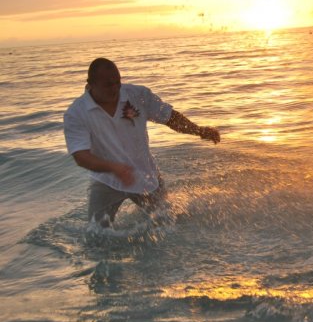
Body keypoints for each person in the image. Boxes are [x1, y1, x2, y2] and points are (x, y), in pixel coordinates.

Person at [64, 57, 220, 229]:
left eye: (118, 82)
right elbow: (81, 156)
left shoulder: (137, 95)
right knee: (96, 234)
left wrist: (199, 130)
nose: (115, 88)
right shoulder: (76, 113)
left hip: (144, 174)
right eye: (108, 85)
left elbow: (170, 117)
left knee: (168, 223)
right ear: (91, 84)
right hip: (106, 181)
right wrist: (114, 168)